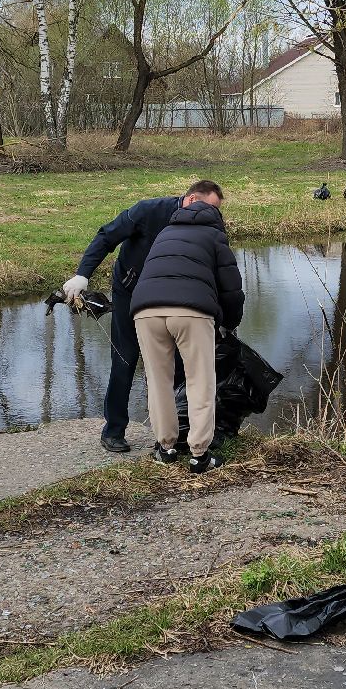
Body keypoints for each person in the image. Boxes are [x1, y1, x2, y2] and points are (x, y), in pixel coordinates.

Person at [62, 187, 190, 453]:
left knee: (177, 364)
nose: (210, 213)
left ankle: (174, 434)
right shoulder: (148, 211)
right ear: (190, 199)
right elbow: (107, 236)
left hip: (171, 297)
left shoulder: (205, 223)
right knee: (124, 359)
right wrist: (83, 274)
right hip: (130, 292)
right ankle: (113, 430)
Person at [130, 180, 243, 474]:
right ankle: (199, 455)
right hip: (191, 312)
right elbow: (232, 289)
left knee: (158, 381)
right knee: (199, 382)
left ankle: (165, 447)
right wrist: (229, 325)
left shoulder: (165, 232)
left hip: (145, 311)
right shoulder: (215, 236)